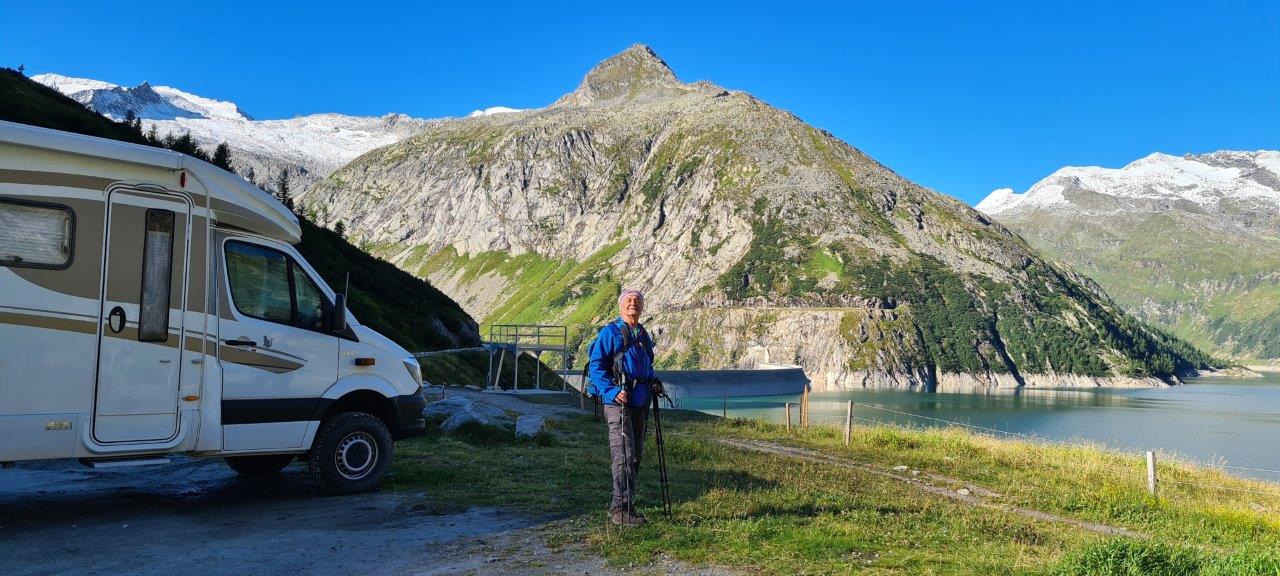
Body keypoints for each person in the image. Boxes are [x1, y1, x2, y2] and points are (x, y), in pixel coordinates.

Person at [587, 288, 663, 526]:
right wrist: (610, 391)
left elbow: (646, 364)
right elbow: (596, 365)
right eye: (628, 300)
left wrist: (653, 381)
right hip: (618, 402)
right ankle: (620, 509)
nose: (633, 303)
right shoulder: (610, 332)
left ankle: (625, 504)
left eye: (637, 300)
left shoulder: (642, 334)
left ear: (641, 307)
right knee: (624, 454)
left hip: (640, 401)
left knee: (635, 455)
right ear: (621, 306)